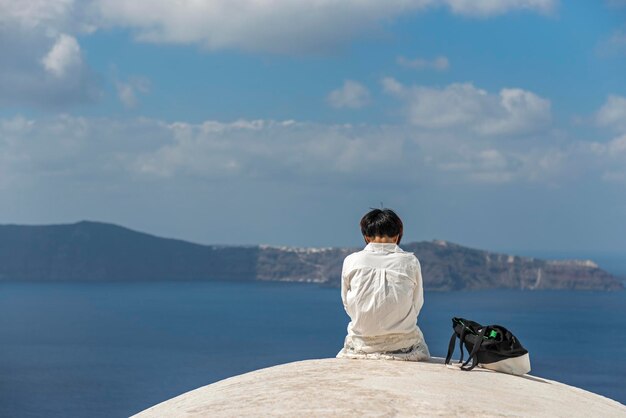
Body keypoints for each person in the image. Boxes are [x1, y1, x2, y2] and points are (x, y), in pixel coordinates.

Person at [336, 208, 430, 361]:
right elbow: (417, 303)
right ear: (397, 236)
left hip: (362, 344)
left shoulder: (351, 260)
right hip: (403, 346)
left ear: (366, 237)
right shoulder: (410, 261)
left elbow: (347, 304)